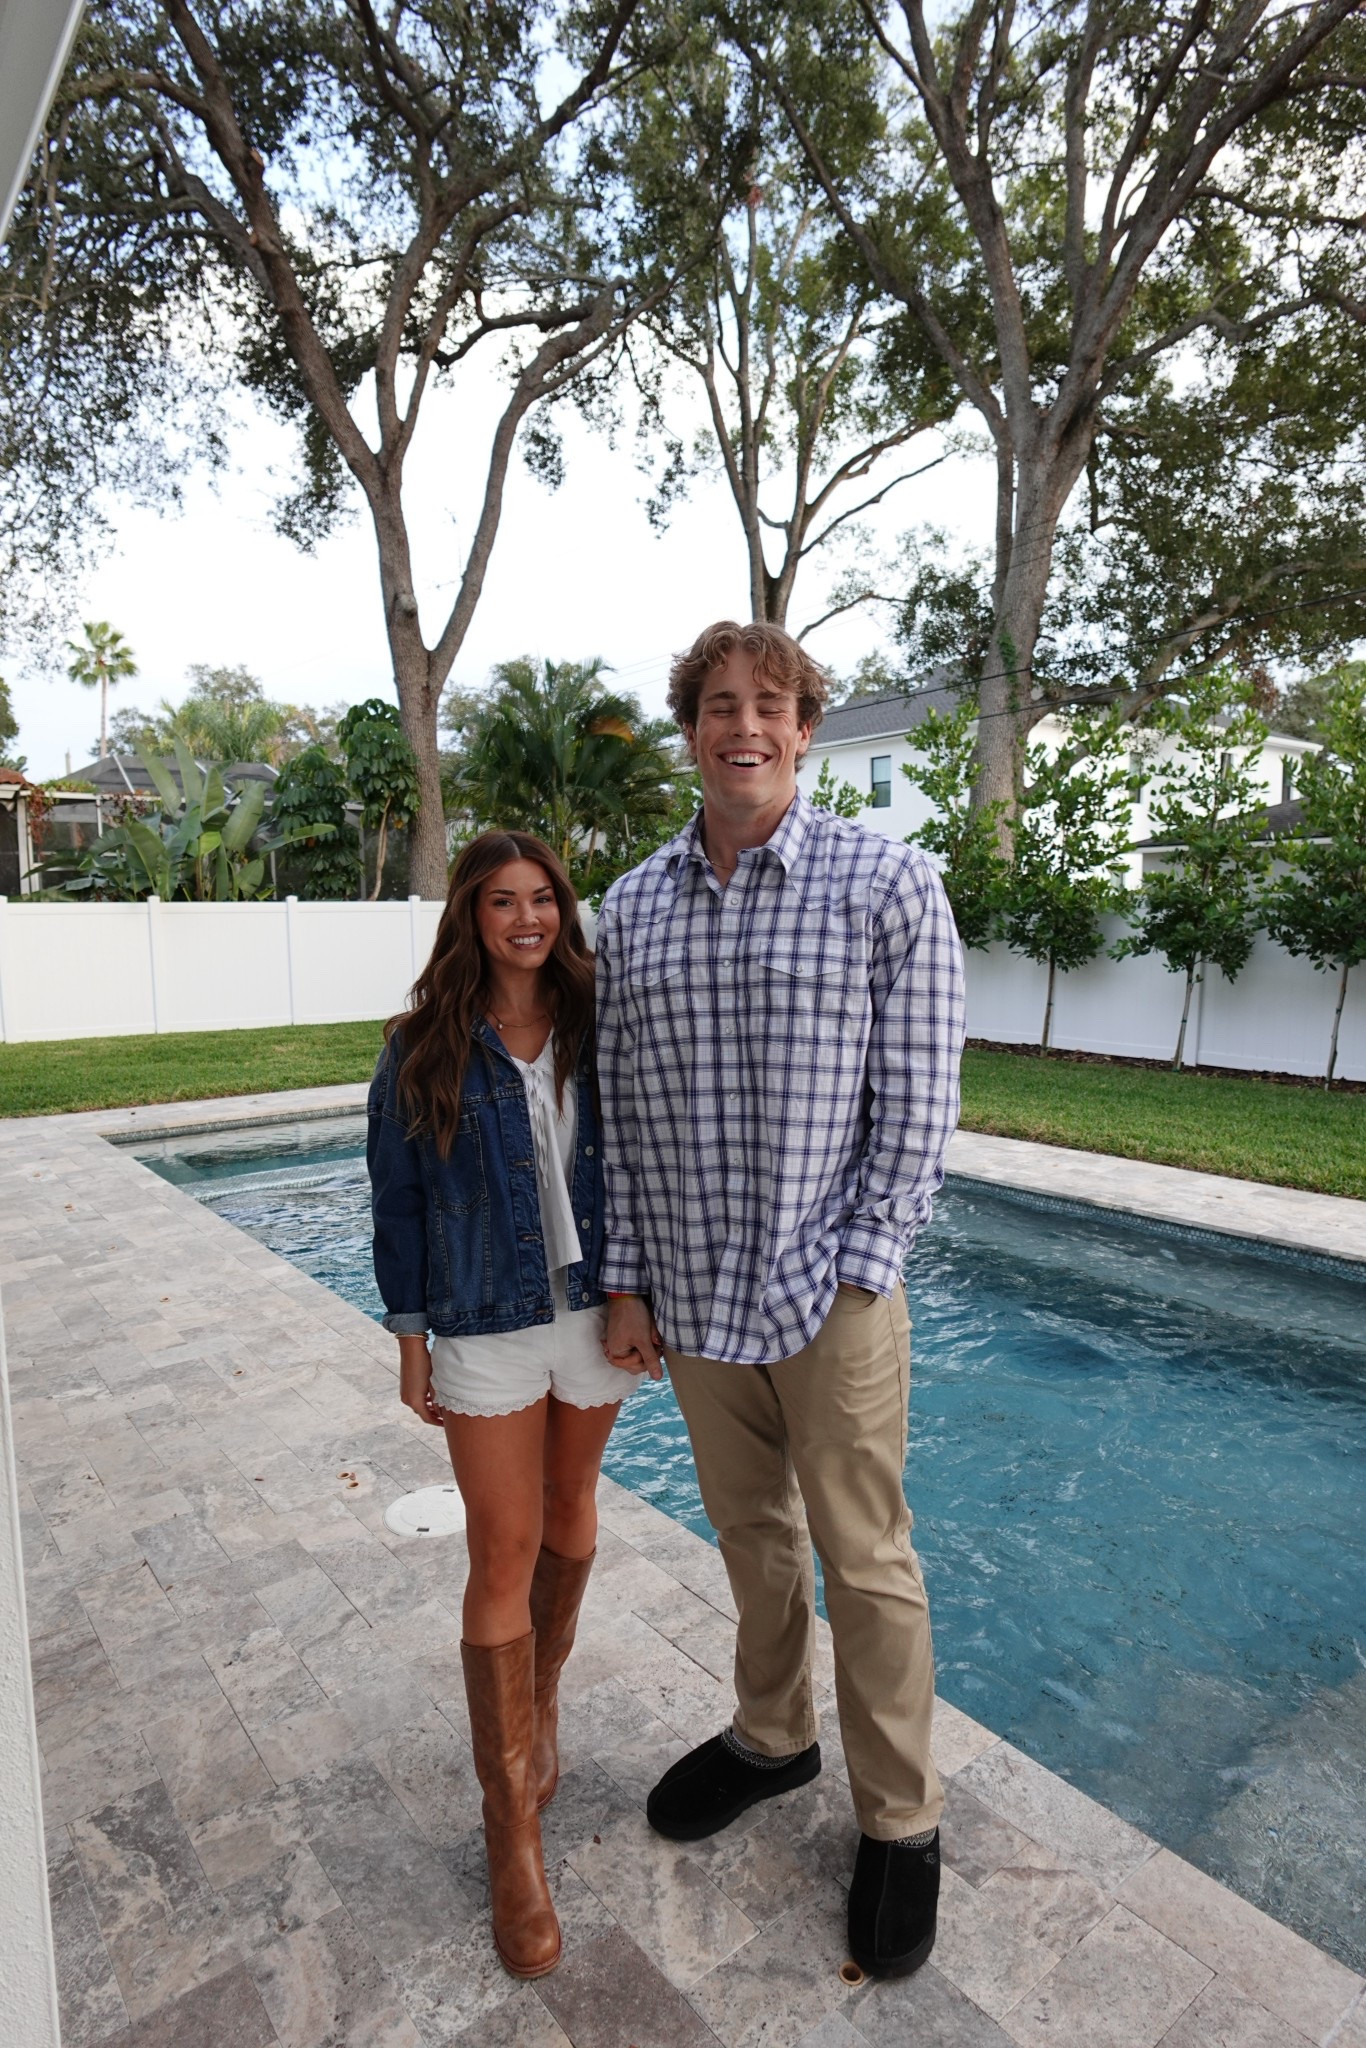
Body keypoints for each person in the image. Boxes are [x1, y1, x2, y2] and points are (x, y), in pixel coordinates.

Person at [595, 621, 965, 1978]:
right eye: (715, 706)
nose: (740, 726)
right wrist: (625, 1276)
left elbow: (919, 1103)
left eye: (768, 705)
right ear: (690, 731)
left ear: (804, 730)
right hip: (691, 1294)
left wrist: (867, 1260)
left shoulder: (887, 885)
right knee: (750, 1533)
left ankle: (900, 1817)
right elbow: (620, 1117)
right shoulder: (629, 908)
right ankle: (772, 1738)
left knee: (864, 1556)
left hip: (830, 1293)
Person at [368, 830, 641, 1981]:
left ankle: (538, 1717)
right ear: (469, 915)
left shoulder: (602, 1023)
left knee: (575, 1507)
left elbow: (641, 1160)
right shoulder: (422, 1044)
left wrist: (633, 1289)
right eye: (500, 900)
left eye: (542, 898)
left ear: (561, 908)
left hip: (594, 1312)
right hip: (482, 1316)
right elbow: (396, 1199)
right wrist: (409, 1334)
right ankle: (510, 1829)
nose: (525, 917)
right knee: (503, 1548)